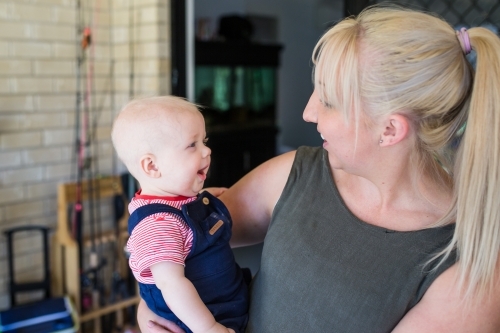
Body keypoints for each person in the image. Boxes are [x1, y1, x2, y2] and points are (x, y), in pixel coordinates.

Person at [137, 5, 500, 332]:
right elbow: (172, 241)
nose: (308, 112)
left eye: (327, 100)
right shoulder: (296, 172)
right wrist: (153, 307)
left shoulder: (468, 267)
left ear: (390, 130)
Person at [111, 96, 249, 333]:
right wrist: (208, 328)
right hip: (199, 321)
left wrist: (202, 195)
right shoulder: (157, 224)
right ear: (152, 166)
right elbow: (172, 285)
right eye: (192, 145)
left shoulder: (175, 200)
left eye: (203, 140)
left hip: (227, 302)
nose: (207, 150)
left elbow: (182, 213)